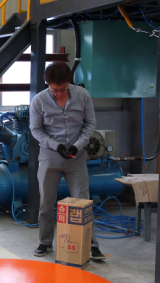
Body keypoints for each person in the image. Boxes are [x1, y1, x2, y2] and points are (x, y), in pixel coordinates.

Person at [29, 62, 106, 261]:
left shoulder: (83, 95)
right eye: (54, 90)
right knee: (46, 204)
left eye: (63, 89)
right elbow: (35, 129)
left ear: (69, 83)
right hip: (49, 157)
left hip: (76, 158)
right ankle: (45, 242)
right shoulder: (38, 101)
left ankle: (91, 245)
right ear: (47, 85)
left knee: (82, 202)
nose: (59, 94)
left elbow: (90, 124)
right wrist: (56, 146)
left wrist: (78, 145)